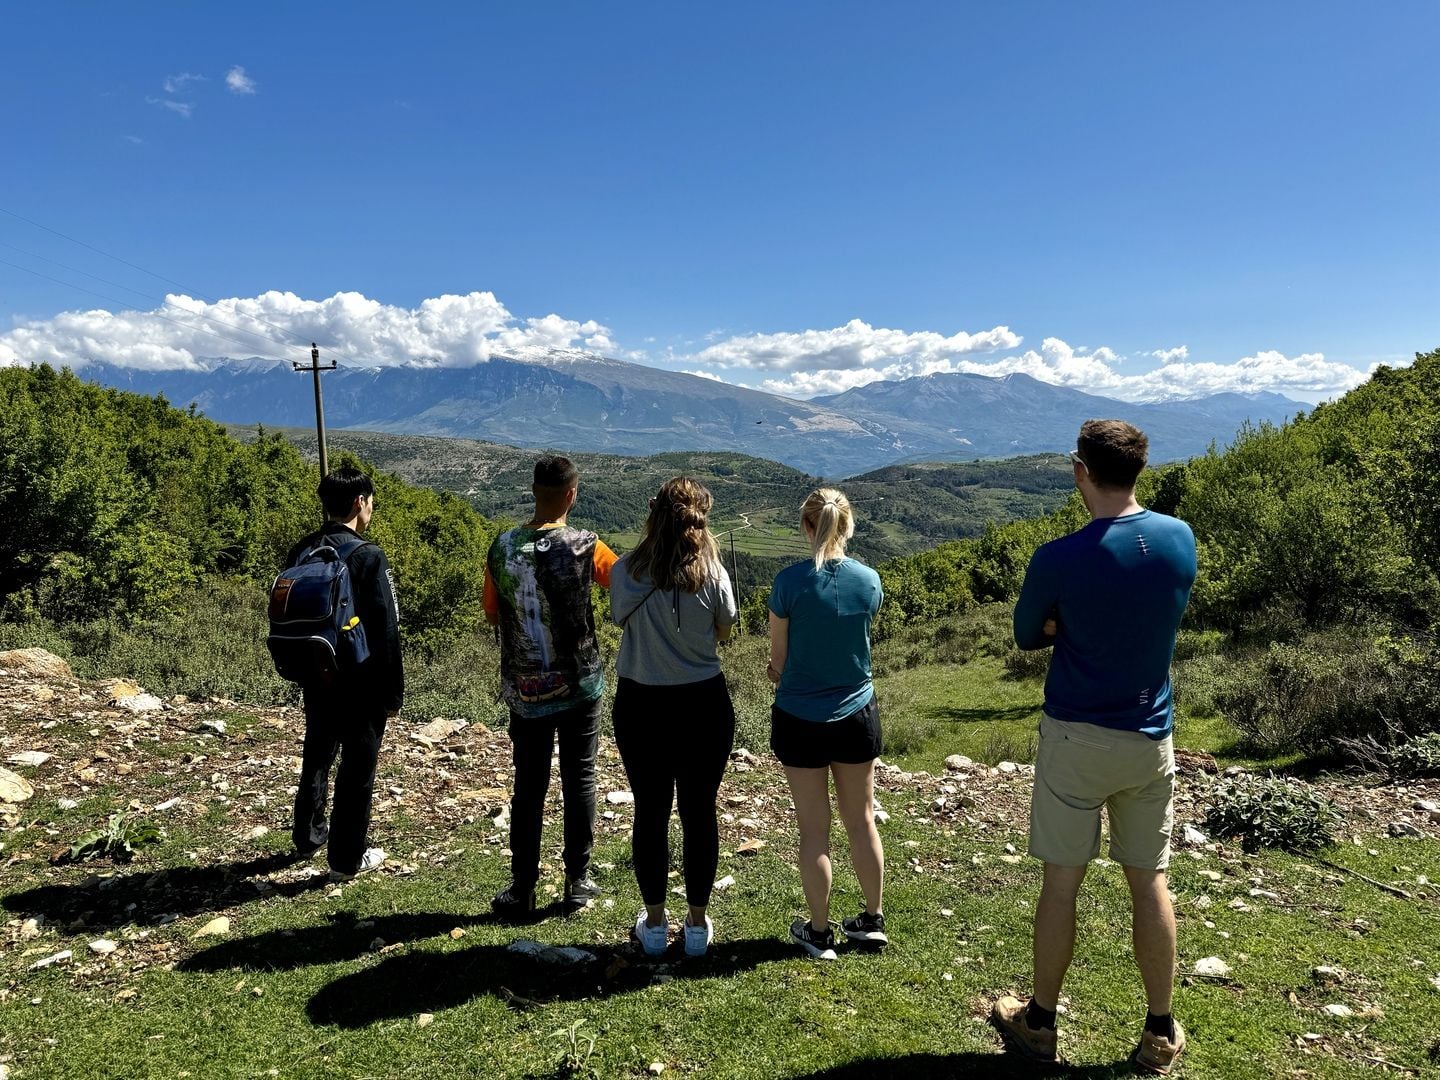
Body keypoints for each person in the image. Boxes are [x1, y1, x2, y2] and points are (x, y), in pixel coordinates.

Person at [991, 420, 1197, 1075]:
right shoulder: (1179, 538)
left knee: (1061, 884)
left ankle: (1040, 1022)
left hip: (1076, 736)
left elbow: (1028, 634)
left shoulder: (1058, 557)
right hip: (1150, 738)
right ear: (1140, 470)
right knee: (1150, 881)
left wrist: (1067, 622)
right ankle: (1159, 1030)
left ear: (1081, 470)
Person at [610, 477, 738, 959]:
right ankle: (698, 926)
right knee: (699, 812)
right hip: (704, 704)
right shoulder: (714, 574)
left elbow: (618, 618)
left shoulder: (626, 571)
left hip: (641, 704)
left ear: (654, 514)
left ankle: (655, 924)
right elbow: (724, 631)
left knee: (651, 811)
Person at [485, 454, 617, 917]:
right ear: (572, 495)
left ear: (534, 492)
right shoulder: (587, 545)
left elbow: (492, 613)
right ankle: (578, 881)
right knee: (580, 778)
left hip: (526, 689)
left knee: (528, 785)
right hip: (580, 683)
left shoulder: (502, 546)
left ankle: (522, 887)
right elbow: (625, 586)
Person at [767, 487, 886, 960]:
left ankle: (819, 932)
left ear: (806, 526)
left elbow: (778, 661)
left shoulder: (788, 583)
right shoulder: (869, 581)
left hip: (799, 717)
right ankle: (872, 920)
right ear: (848, 525)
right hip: (856, 713)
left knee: (814, 830)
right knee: (862, 820)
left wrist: (779, 672)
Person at [289, 466, 404, 882]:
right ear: (360, 502)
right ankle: (345, 859)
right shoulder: (368, 556)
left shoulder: (303, 549)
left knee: (317, 751)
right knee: (357, 768)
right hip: (361, 679)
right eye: (370, 501)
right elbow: (386, 629)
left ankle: (308, 836)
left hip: (315, 672)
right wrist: (393, 693)